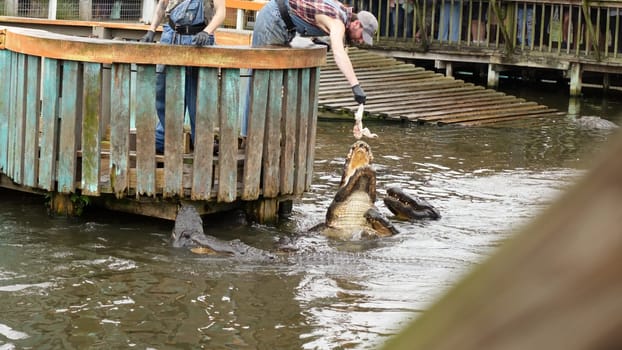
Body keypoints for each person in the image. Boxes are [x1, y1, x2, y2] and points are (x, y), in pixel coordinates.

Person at [251, 0, 378, 107]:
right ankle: (248, 134)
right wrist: (355, 86)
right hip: (273, 20)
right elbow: (339, 53)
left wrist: (319, 39)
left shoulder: (341, 10)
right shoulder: (337, 22)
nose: (361, 41)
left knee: (272, 84)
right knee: (262, 81)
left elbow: (314, 13)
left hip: (285, 24)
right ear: (356, 24)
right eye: (362, 36)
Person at [139, 0, 226, 154]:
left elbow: (221, 12)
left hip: (199, 41)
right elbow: (162, 5)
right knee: (164, 93)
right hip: (171, 38)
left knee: (199, 96)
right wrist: (151, 30)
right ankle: (163, 140)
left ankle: (202, 140)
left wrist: (207, 32)